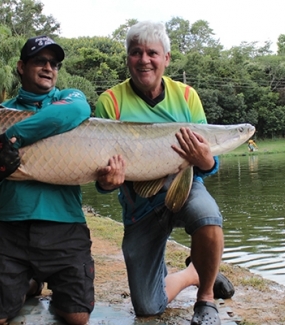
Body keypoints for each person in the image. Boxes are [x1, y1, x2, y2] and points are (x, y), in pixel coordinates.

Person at [93, 21, 234, 325]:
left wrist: (206, 161)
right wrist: (107, 182)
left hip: (184, 187)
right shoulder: (110, 102)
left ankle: (206, 298)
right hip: (139, 204)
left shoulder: (186, 97)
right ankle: (196, 272)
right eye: (136, 53)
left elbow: (208, 163)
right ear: (128, 58)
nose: (144, 60)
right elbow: (102, 178)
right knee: (148, 307)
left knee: (209, 217)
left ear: (166, 58)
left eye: (152, 53)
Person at [0, 35, 95, 325]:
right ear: (21, 66)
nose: (48, 68)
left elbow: (78, 110)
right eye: (40, 61)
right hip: (9, 230)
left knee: (76, 317)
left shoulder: (71, 100)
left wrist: (12, 138)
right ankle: (29, 281)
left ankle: (31, 279)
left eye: (54, 63)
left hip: (66, 228)